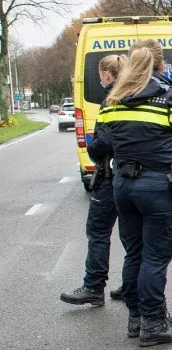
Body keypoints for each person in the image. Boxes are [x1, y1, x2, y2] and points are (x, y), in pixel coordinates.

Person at [95, 39, 172, 347]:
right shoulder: (171, 99)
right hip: (158, 187)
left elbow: (100, 142)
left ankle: (137, 318)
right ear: (160, 65)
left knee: (135, 253)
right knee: (155, 256)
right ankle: (154, 323)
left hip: (123, 186)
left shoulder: (112, 102)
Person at [60, 54, 129, 307]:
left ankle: (93, 286)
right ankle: (131, 285)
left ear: (107, 75)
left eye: (101, 74)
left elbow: (106, 140)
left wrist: (92, 145)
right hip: (131, 176)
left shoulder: (112, 100)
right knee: (131, 235)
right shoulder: (134, 95)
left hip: (110, 176)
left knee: (98, 231)